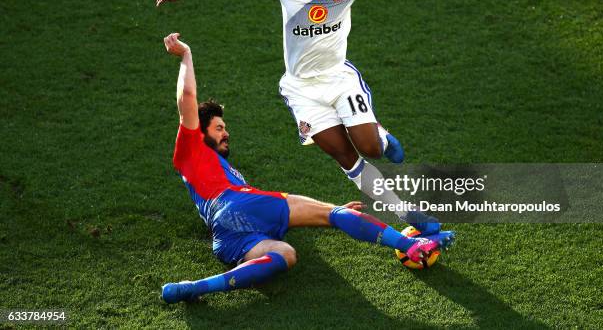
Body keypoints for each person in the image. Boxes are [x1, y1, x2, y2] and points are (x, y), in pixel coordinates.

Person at [155, 0, 480, 233]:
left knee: (369, 148)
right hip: (301, 91)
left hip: (339, 79)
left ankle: (380, 136)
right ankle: (407, 213)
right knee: (346, 158)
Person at [160, 32, 454, 303]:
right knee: (335, 216)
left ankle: (195, 287)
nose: (225, 134)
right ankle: (412, 244)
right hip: (239, 203)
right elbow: (186, 97)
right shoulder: (192, 144)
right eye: (219, 128)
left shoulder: (206, 166)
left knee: (285, 255)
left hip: (224, 233)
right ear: (200, 130)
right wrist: (185, 55)